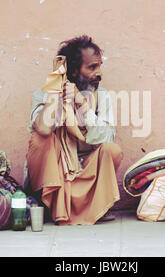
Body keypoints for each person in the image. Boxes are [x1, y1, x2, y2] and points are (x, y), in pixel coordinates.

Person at [26, 35, 123, 225]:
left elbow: (108, 136)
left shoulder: (101, 96)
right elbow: (44, 129)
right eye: (92, 67)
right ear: (73, 71)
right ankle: (49, 204)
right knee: (40, 140)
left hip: (86, 167)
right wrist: (56, 92)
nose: (99, 73)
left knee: (112, 151)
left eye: (99, 66)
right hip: (55, 172)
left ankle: (94, 206)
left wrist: (81, 104)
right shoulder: (43, 94)